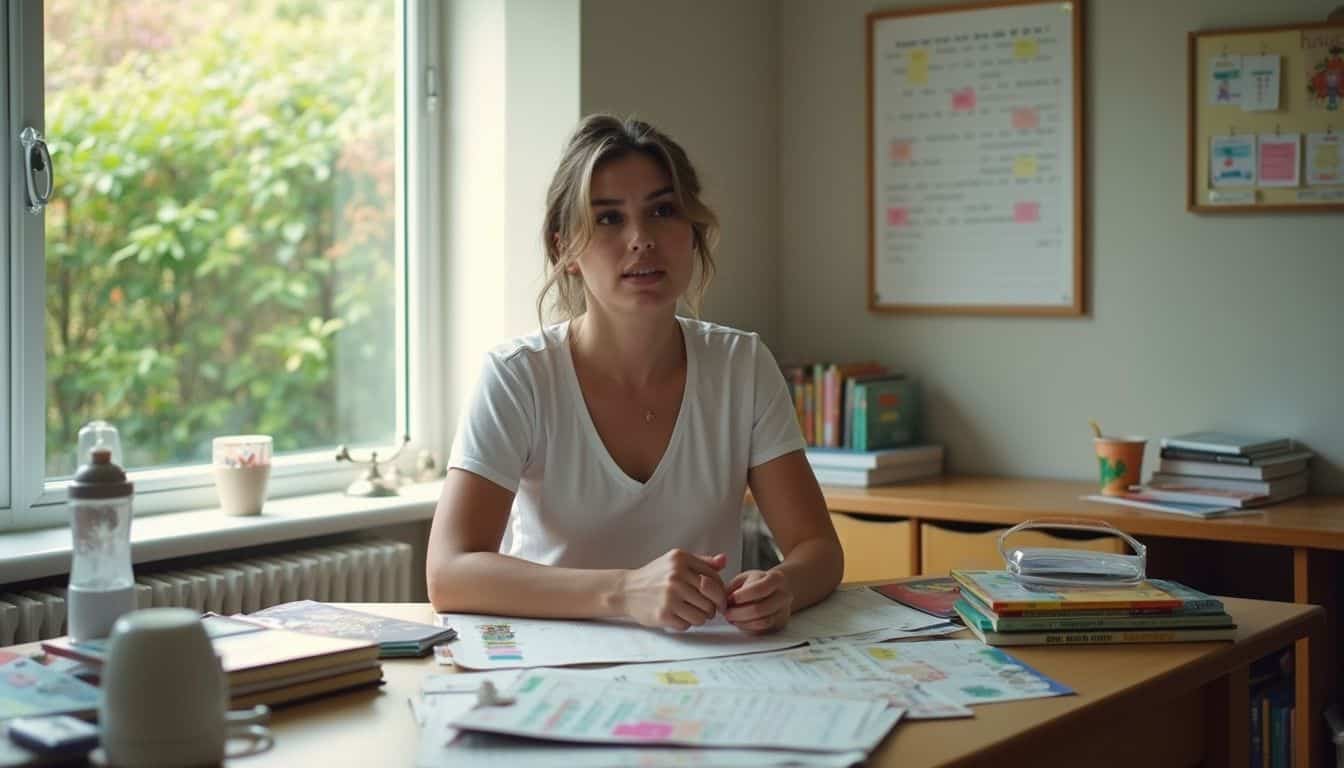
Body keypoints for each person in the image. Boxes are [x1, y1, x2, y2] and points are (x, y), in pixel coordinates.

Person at [426, 114, 842, 634]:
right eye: (608, 219)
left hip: (710, 662)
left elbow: (818, 549)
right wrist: (625, 592)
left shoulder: (743, 365)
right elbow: (449, 572)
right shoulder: (517, 377)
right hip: (553, 663)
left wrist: (784, 587)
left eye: (663, 211)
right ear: (563, 249)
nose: (641, 239)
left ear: (692, 233)